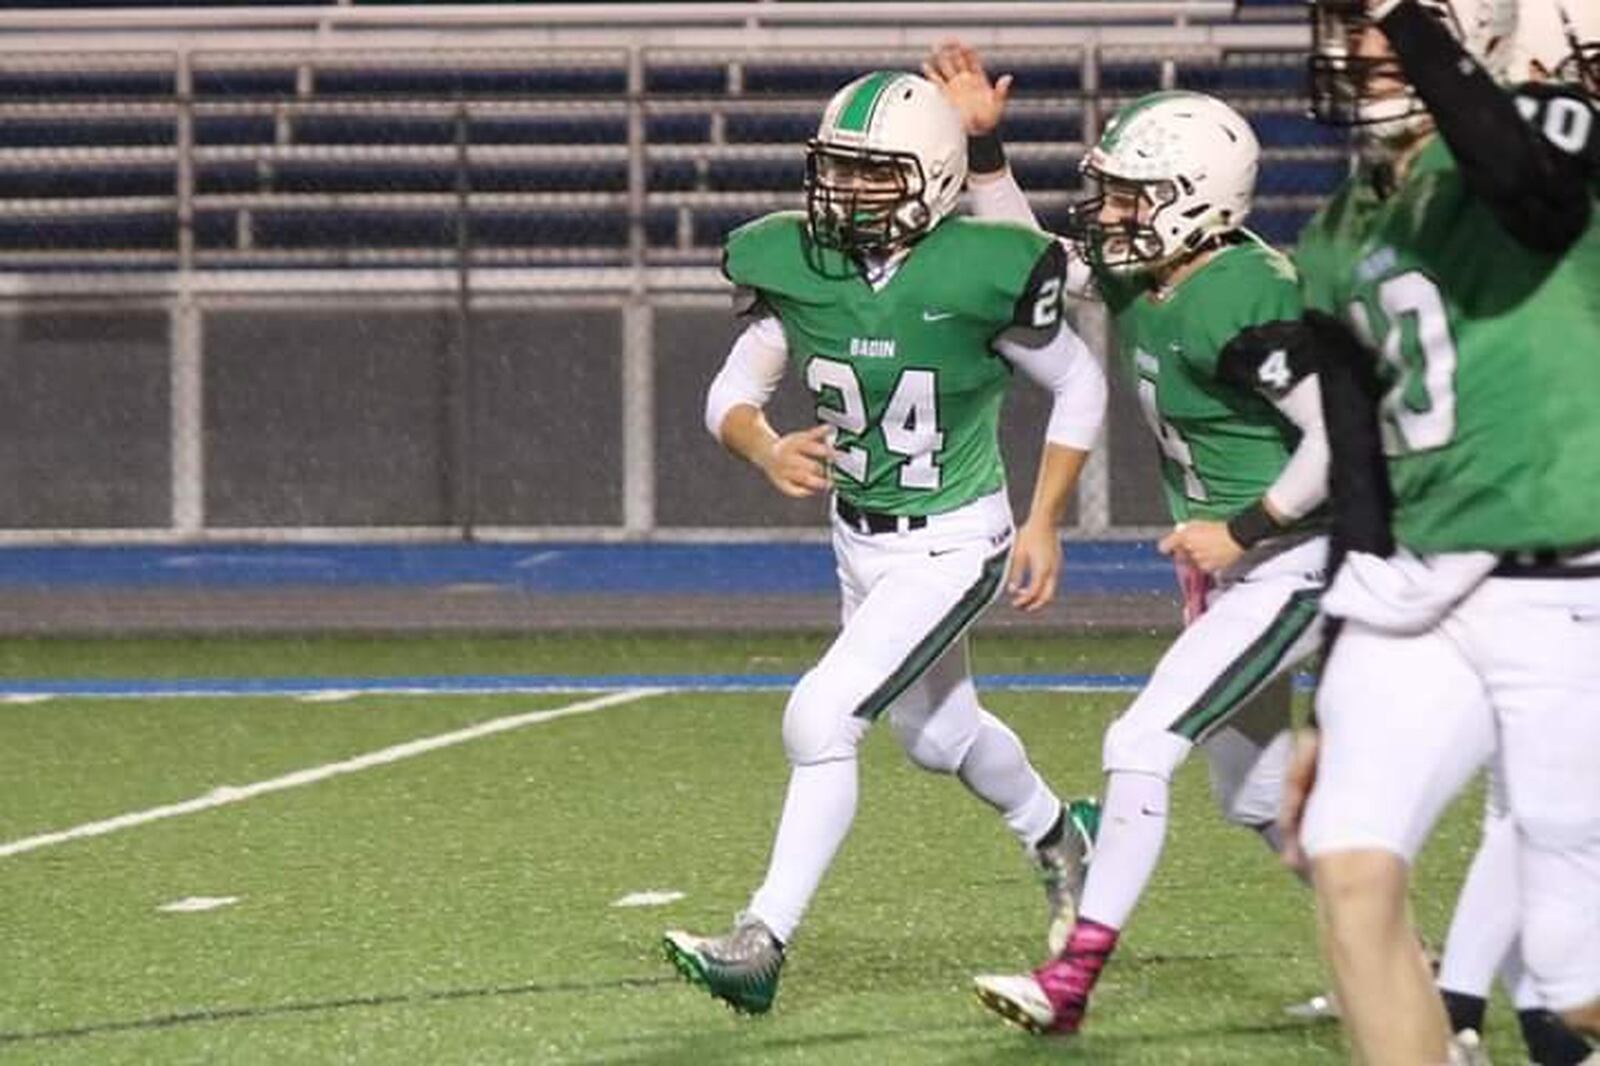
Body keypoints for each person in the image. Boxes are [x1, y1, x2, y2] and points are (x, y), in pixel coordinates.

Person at [659, 70, 1107, 1016]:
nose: (848, 195)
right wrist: (765, 444)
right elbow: (728, 398)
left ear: (935, 180)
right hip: (858, 542)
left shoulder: (976, 269)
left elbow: (1081, 382)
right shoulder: (800, 263)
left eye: (876, 176)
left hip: (953, 541)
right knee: (939, 737)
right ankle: (1062, 836)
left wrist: (1045, 516)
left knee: (821, 716)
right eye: (840, 172)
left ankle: (761, 938)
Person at [922, 46, 1335, 1036]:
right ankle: (1408, 968)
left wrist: (1240, 531)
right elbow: (1032, 264)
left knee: (1140, 741)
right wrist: (985, 148)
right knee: (1268, 799)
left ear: (1198, 201)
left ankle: (1069, 981)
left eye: (1131, 196)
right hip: (1246, 567)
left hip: (1303, 560)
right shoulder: (1155, 272)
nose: (1107, 215)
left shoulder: (1243, 294)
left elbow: (1343, 439)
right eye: (1107, 193)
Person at [1278, 0, 1600, 1061]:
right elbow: (1360, 482)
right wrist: (1321, 698)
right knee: (1348, 864)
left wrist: (1418, 30)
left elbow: (1535, 198)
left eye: (1379, 23)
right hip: (1415, 589)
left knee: (1576, 982)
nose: (1356, 46)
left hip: (1565, 580)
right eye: (1355, 24)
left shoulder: (1555, 133)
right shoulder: (1335, 232)